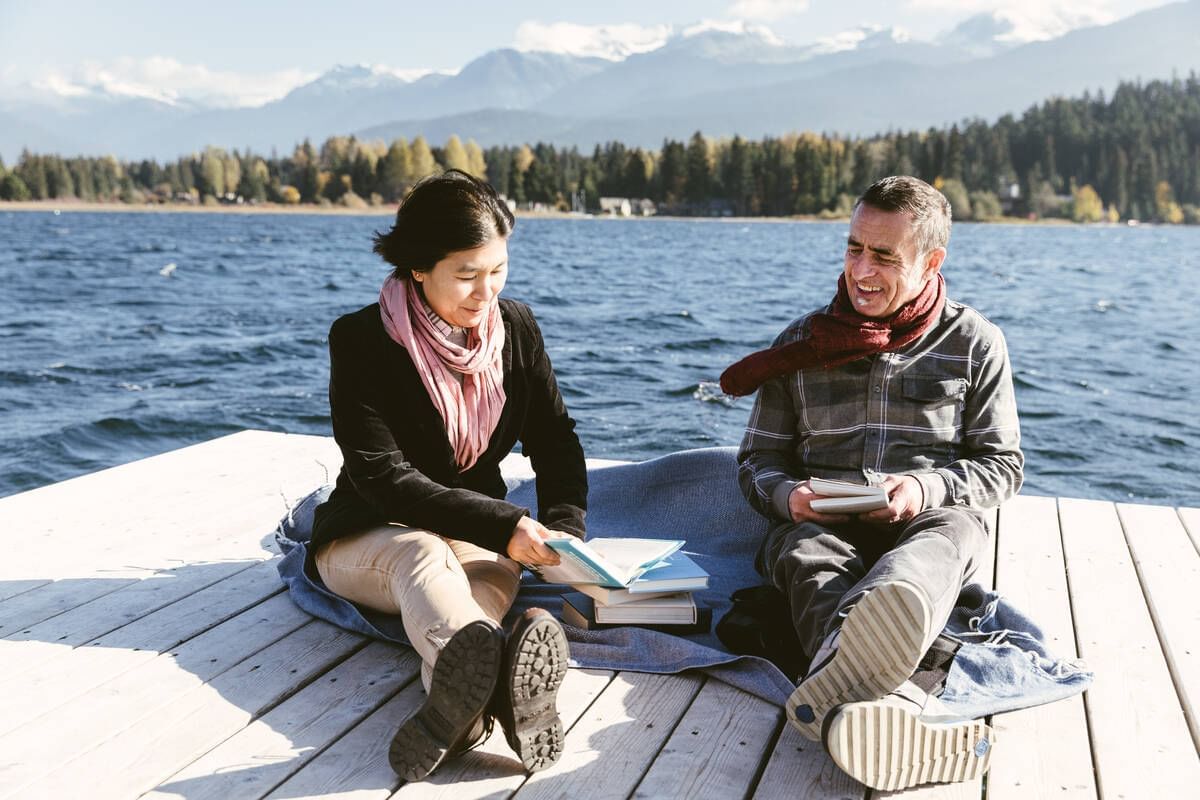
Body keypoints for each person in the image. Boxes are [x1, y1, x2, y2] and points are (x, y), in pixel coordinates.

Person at [721, 175, 1023, 791]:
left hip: (925, 520)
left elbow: (1002, 467)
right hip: (821, 523)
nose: (862, 269)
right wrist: (791, 498)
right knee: (805, 554)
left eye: (884, 256)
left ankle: (859, 663)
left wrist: (922, 491)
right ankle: (893, 702)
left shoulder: (976, 345)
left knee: (940, 543)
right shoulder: (798, 346)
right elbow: (757, 465)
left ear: (930, 261)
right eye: (855, 247)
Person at [311, 169, 588, 781]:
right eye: (465, 274)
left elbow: (556, 440)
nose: (484, 292)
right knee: (423, 560)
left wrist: (563, 529)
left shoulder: (516, 328)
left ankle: (465, 710)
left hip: (473, 526)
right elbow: (382, 476)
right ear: (416, 267)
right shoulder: (360, 340)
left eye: (498, 271)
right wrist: (505, 521)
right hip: (369, 528)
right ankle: (497, 690)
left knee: (487, 577)